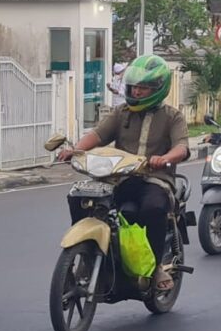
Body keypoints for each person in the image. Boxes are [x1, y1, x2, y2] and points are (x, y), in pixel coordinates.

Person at [58, 55, 189, 293]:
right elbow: (97, 135)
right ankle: (87, 250)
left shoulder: (172, 116)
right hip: (121, 178)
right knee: (80, 196)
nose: (137, 92)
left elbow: (182, 147)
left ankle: (156, 265)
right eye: (135, 87)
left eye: (143, 88)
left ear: (158, 89)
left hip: (155, 180)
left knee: (153, 208)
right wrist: (76, 149)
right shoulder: (121, 112)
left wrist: (165, 158)